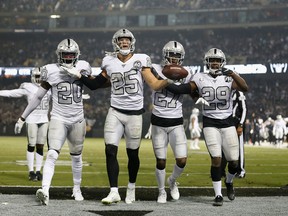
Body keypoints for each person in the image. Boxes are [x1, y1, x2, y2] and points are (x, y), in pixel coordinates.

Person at [63, 28, 172, 205]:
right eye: (121, 40)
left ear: (132, 42)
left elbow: (154, 84)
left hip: (134, 114)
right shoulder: (109, 61)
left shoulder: (140, 60)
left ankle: (131, 187)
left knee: (132, 154)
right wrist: (80, 76)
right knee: (110, 150)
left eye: (127, 40)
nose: (124, 42)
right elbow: (96, 84)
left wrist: (169, 80)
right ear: (116, 42)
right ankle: (114, 191)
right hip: (115, 111)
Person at [165, 48, 248, 206]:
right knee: (216, 159)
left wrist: (233, 74)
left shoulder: (229, 77)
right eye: (212, 60)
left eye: (217, 60)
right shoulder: (199, 77)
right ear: (207, 62)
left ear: (222, 62)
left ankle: (229, 183)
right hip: (210, 122)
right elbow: (183, 89)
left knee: (234, 162)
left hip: (228, 121)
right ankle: (217, 195)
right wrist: (163, 82)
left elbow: (245, 88)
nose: (214, 63)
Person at [15, 38, 92, 205]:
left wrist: (80, 76)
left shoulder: (83, 66)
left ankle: (76, 188)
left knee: (77, 157)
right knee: (51, 153)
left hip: (78, 119)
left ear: (77, 55)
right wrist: (23, 117)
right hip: (59, 117)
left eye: (72, 55)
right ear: (59, 55)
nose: (69, 58)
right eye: (66, 55)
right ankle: (45, 190)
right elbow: (37, 97)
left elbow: (93, 83)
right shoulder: (50, 70)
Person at [149, 40, 194, 203]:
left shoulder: (187, 73)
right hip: (159, 122)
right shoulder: (155, 68)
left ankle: (172, 181)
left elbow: (188, 89)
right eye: (172, 55)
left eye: (177, 56)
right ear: (165, 55)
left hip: (176, 122)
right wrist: (170, 80)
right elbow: (155, 85)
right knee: (161, 161)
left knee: (182, 160)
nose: (174, 58)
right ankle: (161, 191)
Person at [0, 67, 50, 181]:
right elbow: (12, 93)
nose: (39, 79)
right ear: (32, 77)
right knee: (31, 145)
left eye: (41, 77)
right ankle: (31, 171)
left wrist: (78, 97)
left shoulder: (49, 86)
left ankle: (38, 171)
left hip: (44, 119)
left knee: (41, 146)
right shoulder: (28, 87)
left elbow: (60, 96)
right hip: (31, 118)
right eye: (37, 77)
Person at [221, 90, 247, 178]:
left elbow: (244, 109)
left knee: (239, 147)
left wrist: (241, 124)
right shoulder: (223, 90)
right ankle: (221, 171)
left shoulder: (239, 93)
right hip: (225, 121)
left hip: (236, 122)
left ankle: (240, 170)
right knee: (223, 147)